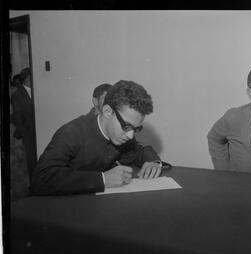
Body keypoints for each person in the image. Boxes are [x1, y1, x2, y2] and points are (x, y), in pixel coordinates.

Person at [31, 80, 162, 195]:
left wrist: (154, 163)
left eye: (136, 128)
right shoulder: (71, 133)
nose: (130, 135)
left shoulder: (122, 134)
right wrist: (103, 179)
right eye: (126, 126)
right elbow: (40, 179)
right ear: (107, 111)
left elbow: (139, 151)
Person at [207, 64, 251, 173]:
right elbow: (214, 138)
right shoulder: (235, 117)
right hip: (241, 188)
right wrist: (223, 172)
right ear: (250, 93)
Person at [10, 67, 37, 178]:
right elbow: (16, 115)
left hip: (36, 131)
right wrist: (23, 131)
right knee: (31, 161)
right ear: (27, 78)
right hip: (28, 133)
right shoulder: (17, 95)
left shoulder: (36, 91)